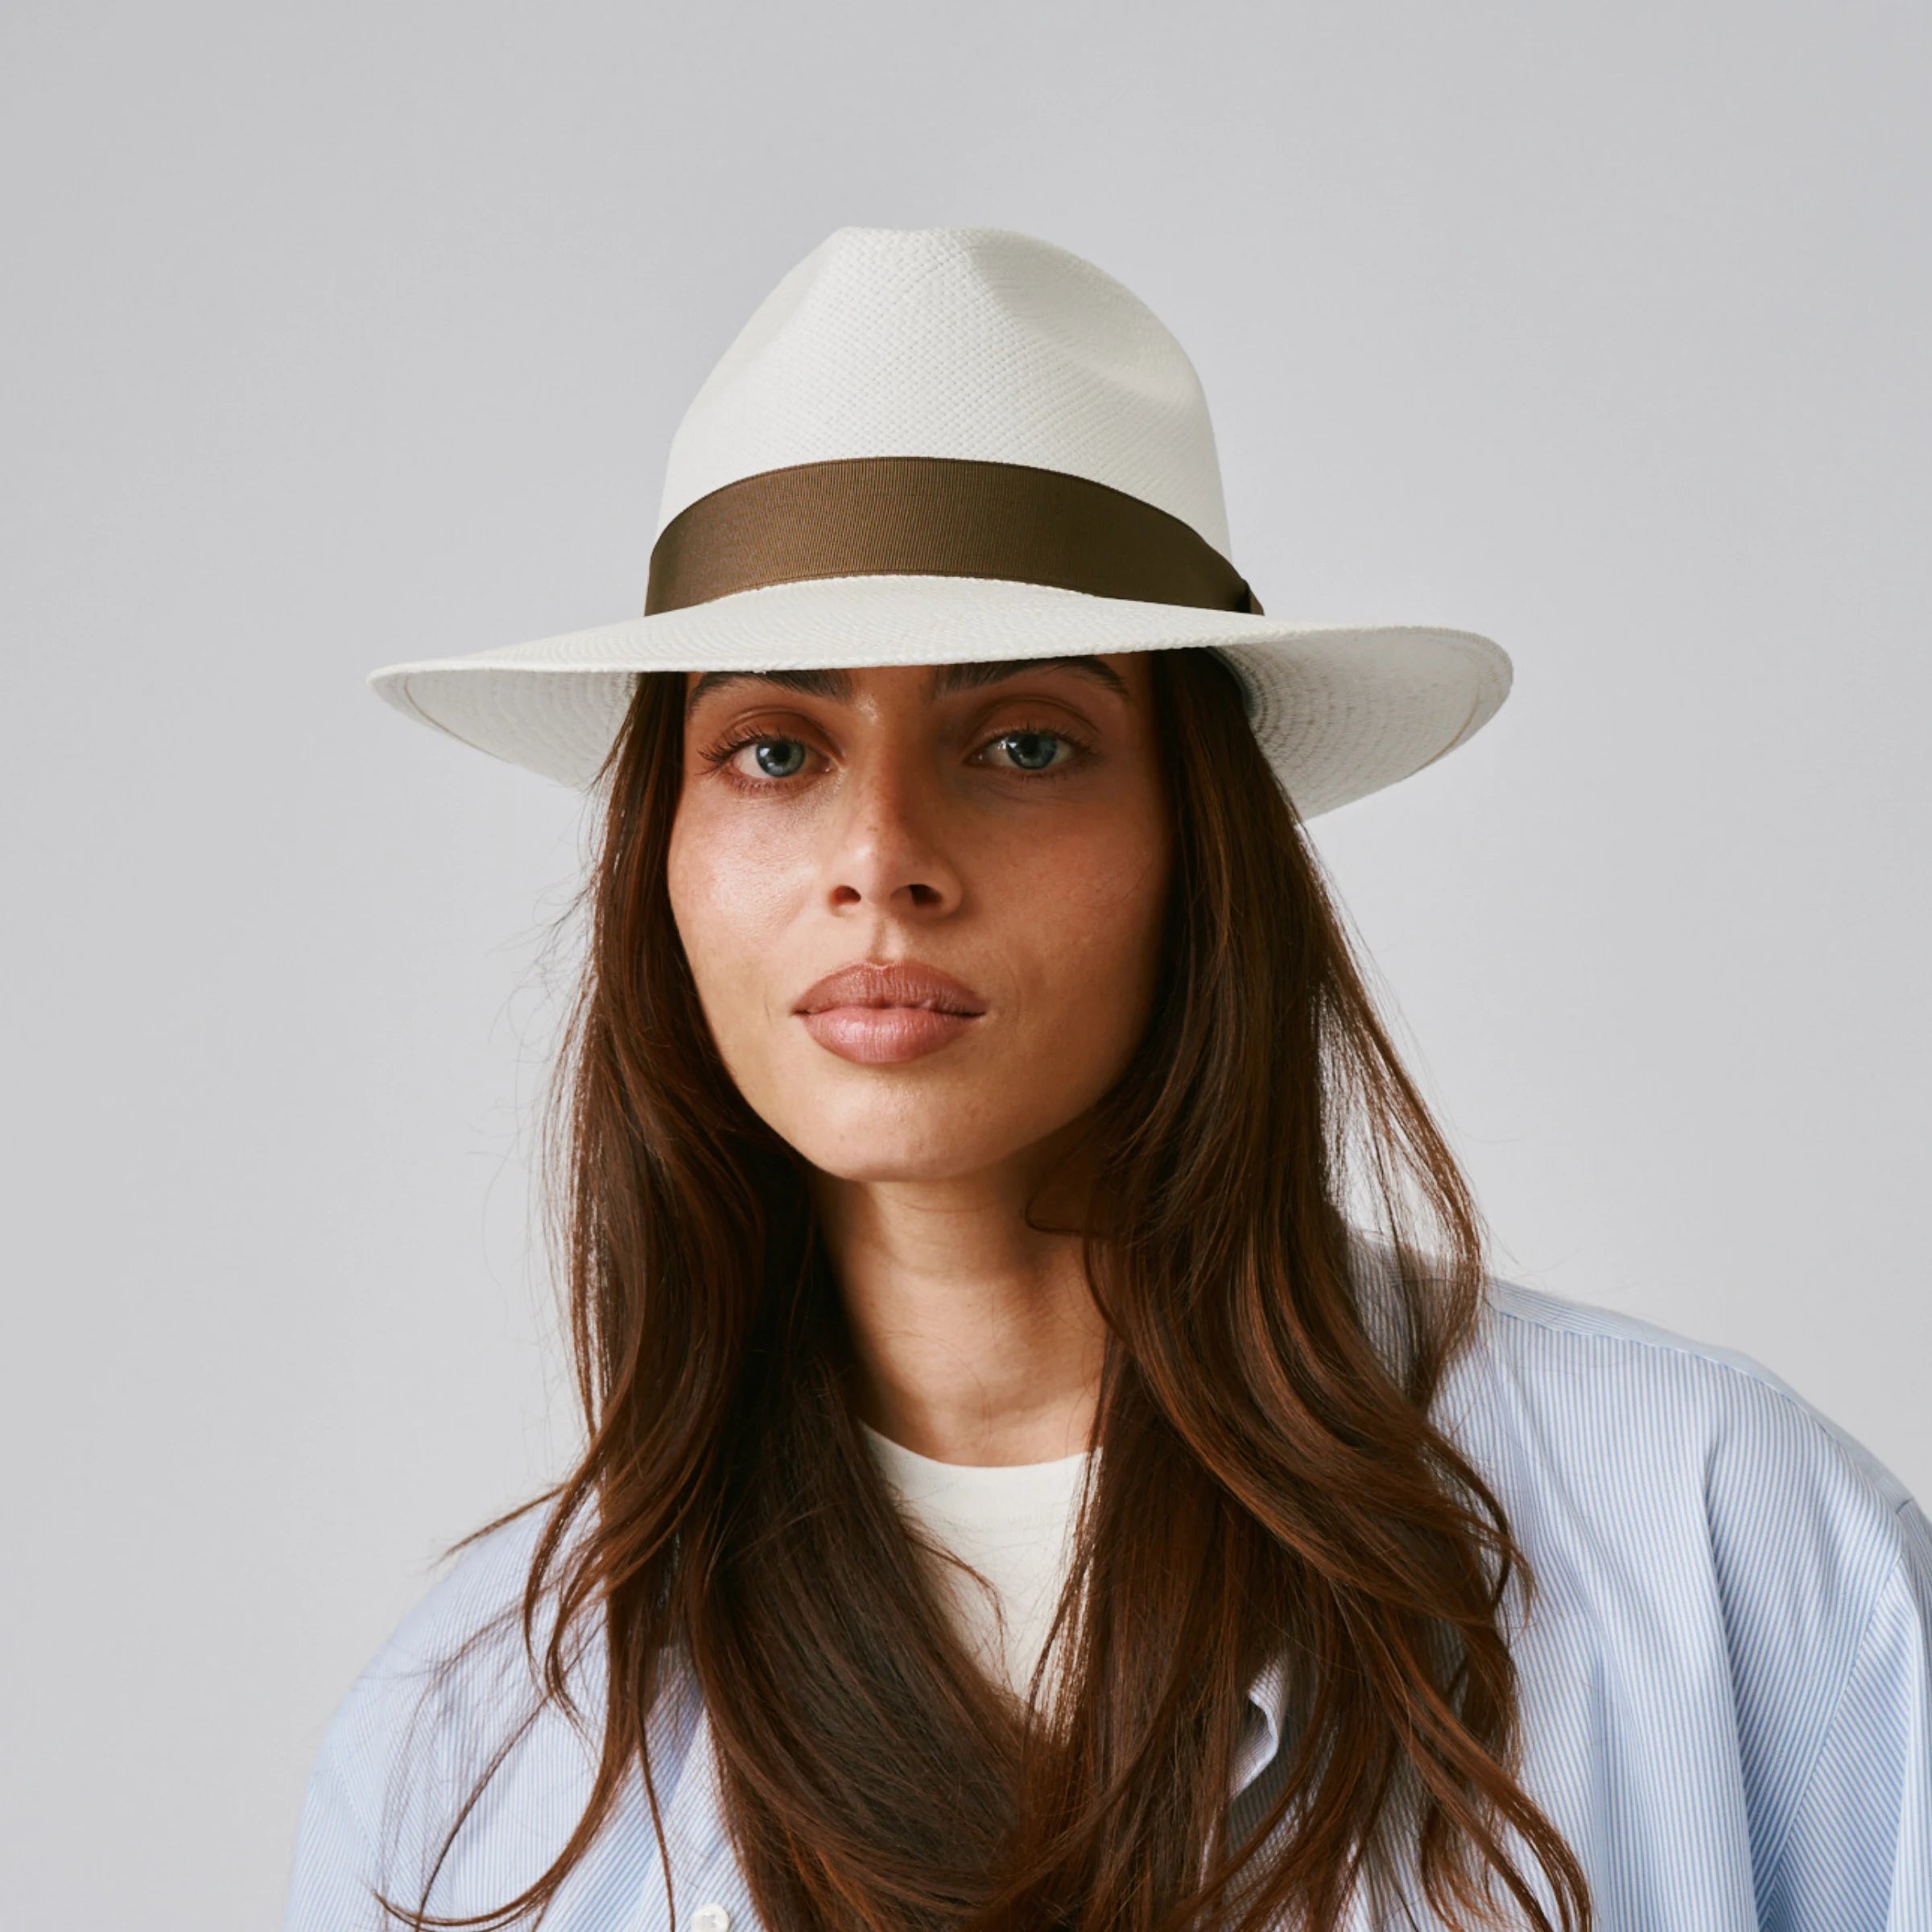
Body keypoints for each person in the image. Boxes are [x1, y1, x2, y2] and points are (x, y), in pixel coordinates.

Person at [283, 225, 1931, 1932]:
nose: (882, 857)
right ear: (662, 859)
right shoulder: (477, 1754)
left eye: (1023, 743)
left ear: (1195, 839)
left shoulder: (1710, 1537)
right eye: (773, 747)